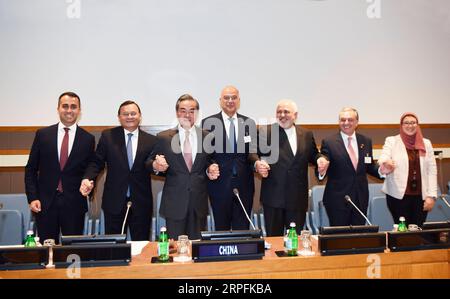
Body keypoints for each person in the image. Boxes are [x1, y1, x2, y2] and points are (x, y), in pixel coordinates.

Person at [80, 100, 157, 240]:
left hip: (141, 203)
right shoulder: (108, 136)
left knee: (141, 246)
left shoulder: (151, 140)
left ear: (140, 116)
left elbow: (154, 166)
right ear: (119, 117)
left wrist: (159, 167)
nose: (129, 116)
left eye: (133, 113)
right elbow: (97, 162)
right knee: (114, 247)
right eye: (125, 114)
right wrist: (88, 178)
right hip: (114, 202)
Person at [25, 92, 95, 243]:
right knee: (46, 250)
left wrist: (88, 181)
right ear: (58, 109)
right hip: (45, 203)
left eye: (73, 107)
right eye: (65, 106)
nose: (69, 110)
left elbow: (91, 168)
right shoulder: (43, 134)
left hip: (74, 204)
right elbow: (30, 169)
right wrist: (33, 197)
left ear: (79, 111)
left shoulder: (88, 139)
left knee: (71, 252)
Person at [147, 94, 220, 240]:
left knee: (197, 251)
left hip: (198, 203)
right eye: (183, 110)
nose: (187, 114)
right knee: (175, 250)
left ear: (197, 113)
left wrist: (210, 169)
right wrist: (156, 165)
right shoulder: (163, 137)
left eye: (192, 110)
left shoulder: (207, 137)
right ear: (177, 113)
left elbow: (209, 162)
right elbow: (148, 162)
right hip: (175, 203)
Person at [256, 100, 328, 235]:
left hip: (297, 198)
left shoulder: (306, 134)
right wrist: (258, 163)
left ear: (295, 115)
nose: (282, 115)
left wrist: (320, 159)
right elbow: (252, 153)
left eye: (286, 112)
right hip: (273, 197)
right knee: (273, 241)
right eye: (279, 112)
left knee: (295, 242)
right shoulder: (266, 132)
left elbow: (313, 154)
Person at [201, 85, 258, 230]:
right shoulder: (208, 123)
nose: (230, 101)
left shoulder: (249, 123)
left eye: (234, 97)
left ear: (239, 100)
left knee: (242, 229)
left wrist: (257, 162)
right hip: (219, 185)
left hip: (244, 185)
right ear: (220, 101)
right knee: (221, 229)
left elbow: (252, 151)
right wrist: (210, 166)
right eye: (226, 98)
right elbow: (205, 154)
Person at [320, 107, 382, 226]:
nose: (346, 123)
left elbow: (368, 166)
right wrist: (322, 169)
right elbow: (325, 163)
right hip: (337, 200)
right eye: (343, 120)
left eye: (350, 120)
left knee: (358, 238)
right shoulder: (329, 142)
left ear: (357, 122)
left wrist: (381, 170)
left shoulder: (366, 141)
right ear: (339, 122)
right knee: (339, 239)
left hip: (360, 198)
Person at [377, 112, 437, 227]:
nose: (410, 125)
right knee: (402, 230)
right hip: (398, 196)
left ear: (417, 125)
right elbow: (383, 157)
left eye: (413, 123)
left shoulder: (426, 143)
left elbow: (432, 170)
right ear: (401, 125)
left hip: (421, 196)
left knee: (418, 228)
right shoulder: (392, 141)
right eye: (406, 123)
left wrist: (431, 196)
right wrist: (386, 162)